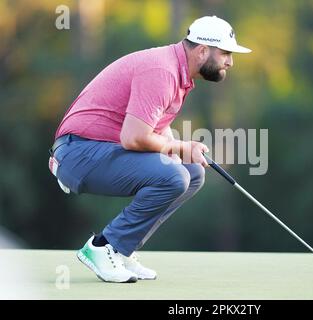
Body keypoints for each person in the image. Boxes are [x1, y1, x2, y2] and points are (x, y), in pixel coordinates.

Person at [48, 16, 251, 283]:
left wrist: (182, 151)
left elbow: (155, 131)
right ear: (202, 50)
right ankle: (103, 247)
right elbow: (133, 138)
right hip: (78, 154)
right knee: (173, 177)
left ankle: (121, 249)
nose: (230, 62)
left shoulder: (177, 72)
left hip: (95, 150)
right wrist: (180, 146)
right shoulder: (163, 71)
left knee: (192, 172)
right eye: (225, 53)